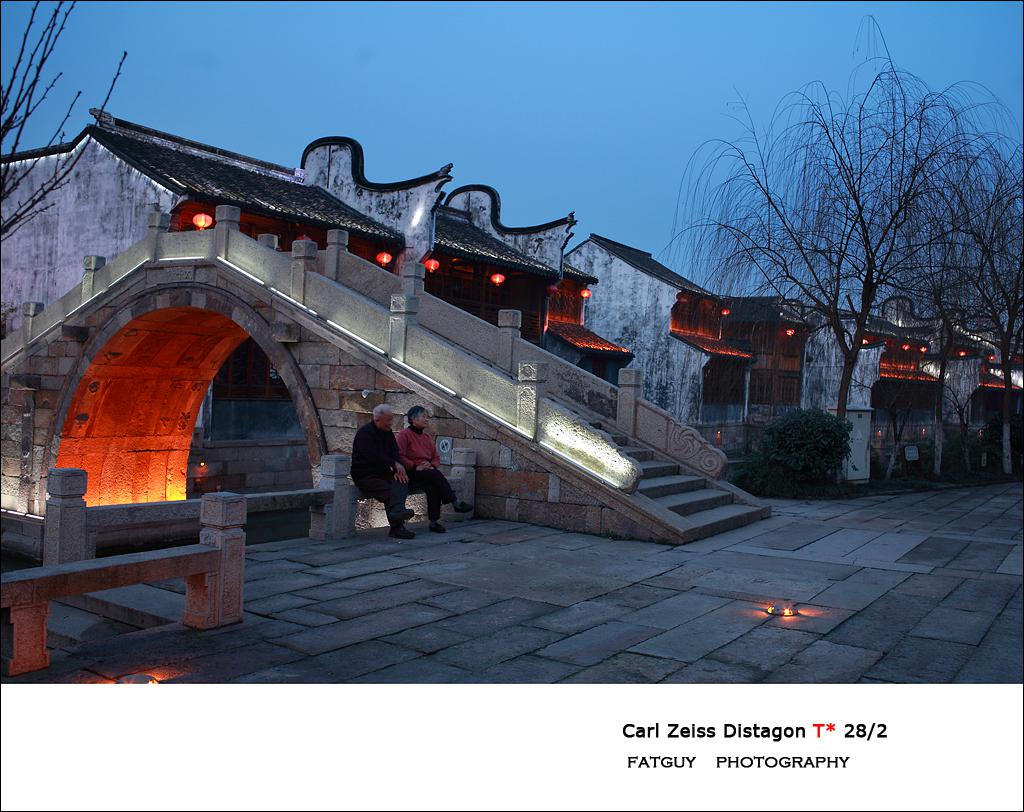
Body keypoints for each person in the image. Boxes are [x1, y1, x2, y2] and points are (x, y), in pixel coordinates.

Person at [396, 405, 473, 533]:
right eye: (423, 417)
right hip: (410, 473)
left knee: (433, 486)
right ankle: (455, 502)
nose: (427, 420)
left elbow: (436, 457)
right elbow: (399, 456)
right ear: (413, 419)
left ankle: (433, 522)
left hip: (427, 472)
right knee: (435, 475)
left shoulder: (426, 437)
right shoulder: (404, 435)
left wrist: (431, 465)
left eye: (427, 417)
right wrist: (415, 466)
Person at [351, 403, 416, 540]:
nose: (391, 423)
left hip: (382, 472)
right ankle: (397, 526)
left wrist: (398, 467)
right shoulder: (365, 434)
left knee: (401, 480)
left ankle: (397, 514)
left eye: (391, 419)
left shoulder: (388, 433)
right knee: (390, 492)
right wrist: (393, 464)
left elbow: (394, 452)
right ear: (377, 420)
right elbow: (372, 456)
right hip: (365, 475)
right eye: (388, 420)